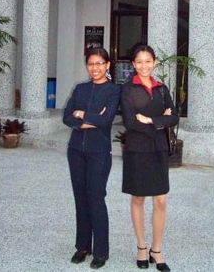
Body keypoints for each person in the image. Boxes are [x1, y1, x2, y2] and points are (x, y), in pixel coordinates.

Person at [121, 44, 179, 272]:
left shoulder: (162, 89)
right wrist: (158, 120)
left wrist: (151, 120)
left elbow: (174, 116)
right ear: (133, 64)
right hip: (137, 149)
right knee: (138, 198)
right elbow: (129, 122)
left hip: (159, 149)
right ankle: (142, 247)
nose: (144, 65)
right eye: (139, 61)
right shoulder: (127, 90)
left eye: (148, 61)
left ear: (154, 62)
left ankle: (156, 249)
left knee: (161, 199)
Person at [63, 48, 120, 269]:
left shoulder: (113, 91)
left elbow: (106, 120)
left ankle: (101, 252)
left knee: (95, 197)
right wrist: (84, 120)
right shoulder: (80, 89)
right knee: (80, 198)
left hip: (99, 152)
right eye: (91, 64)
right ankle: (82, 246)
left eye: (99, 63)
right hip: (76, 149)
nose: (95, 68)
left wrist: (82, 114)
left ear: (107, 65)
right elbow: (67, 116)